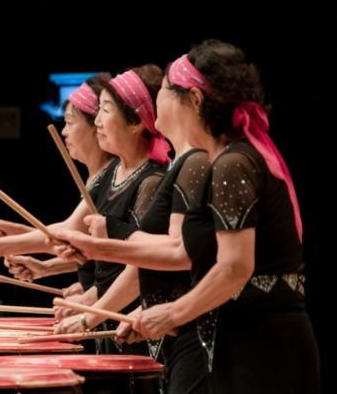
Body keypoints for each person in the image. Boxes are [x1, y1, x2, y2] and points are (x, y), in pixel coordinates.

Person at [54, 39, 320, 393]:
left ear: (194, 99)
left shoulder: (232, 163)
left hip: (263, 344)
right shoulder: (223, 160)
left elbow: (234, 268)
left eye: (165, 90)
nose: (157, 100)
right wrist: (98, 248)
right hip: (240, 336)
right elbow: (180, 250)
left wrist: (172, 312)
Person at [0, 65, 170, 355]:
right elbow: (71, 232)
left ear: (135, 122)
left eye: (105, 111)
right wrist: (16, 244)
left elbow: (140, 267)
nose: (98, 121)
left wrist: (89, 310)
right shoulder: (111, 175)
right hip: (109, 318)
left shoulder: (151, 181)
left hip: (133, 327)